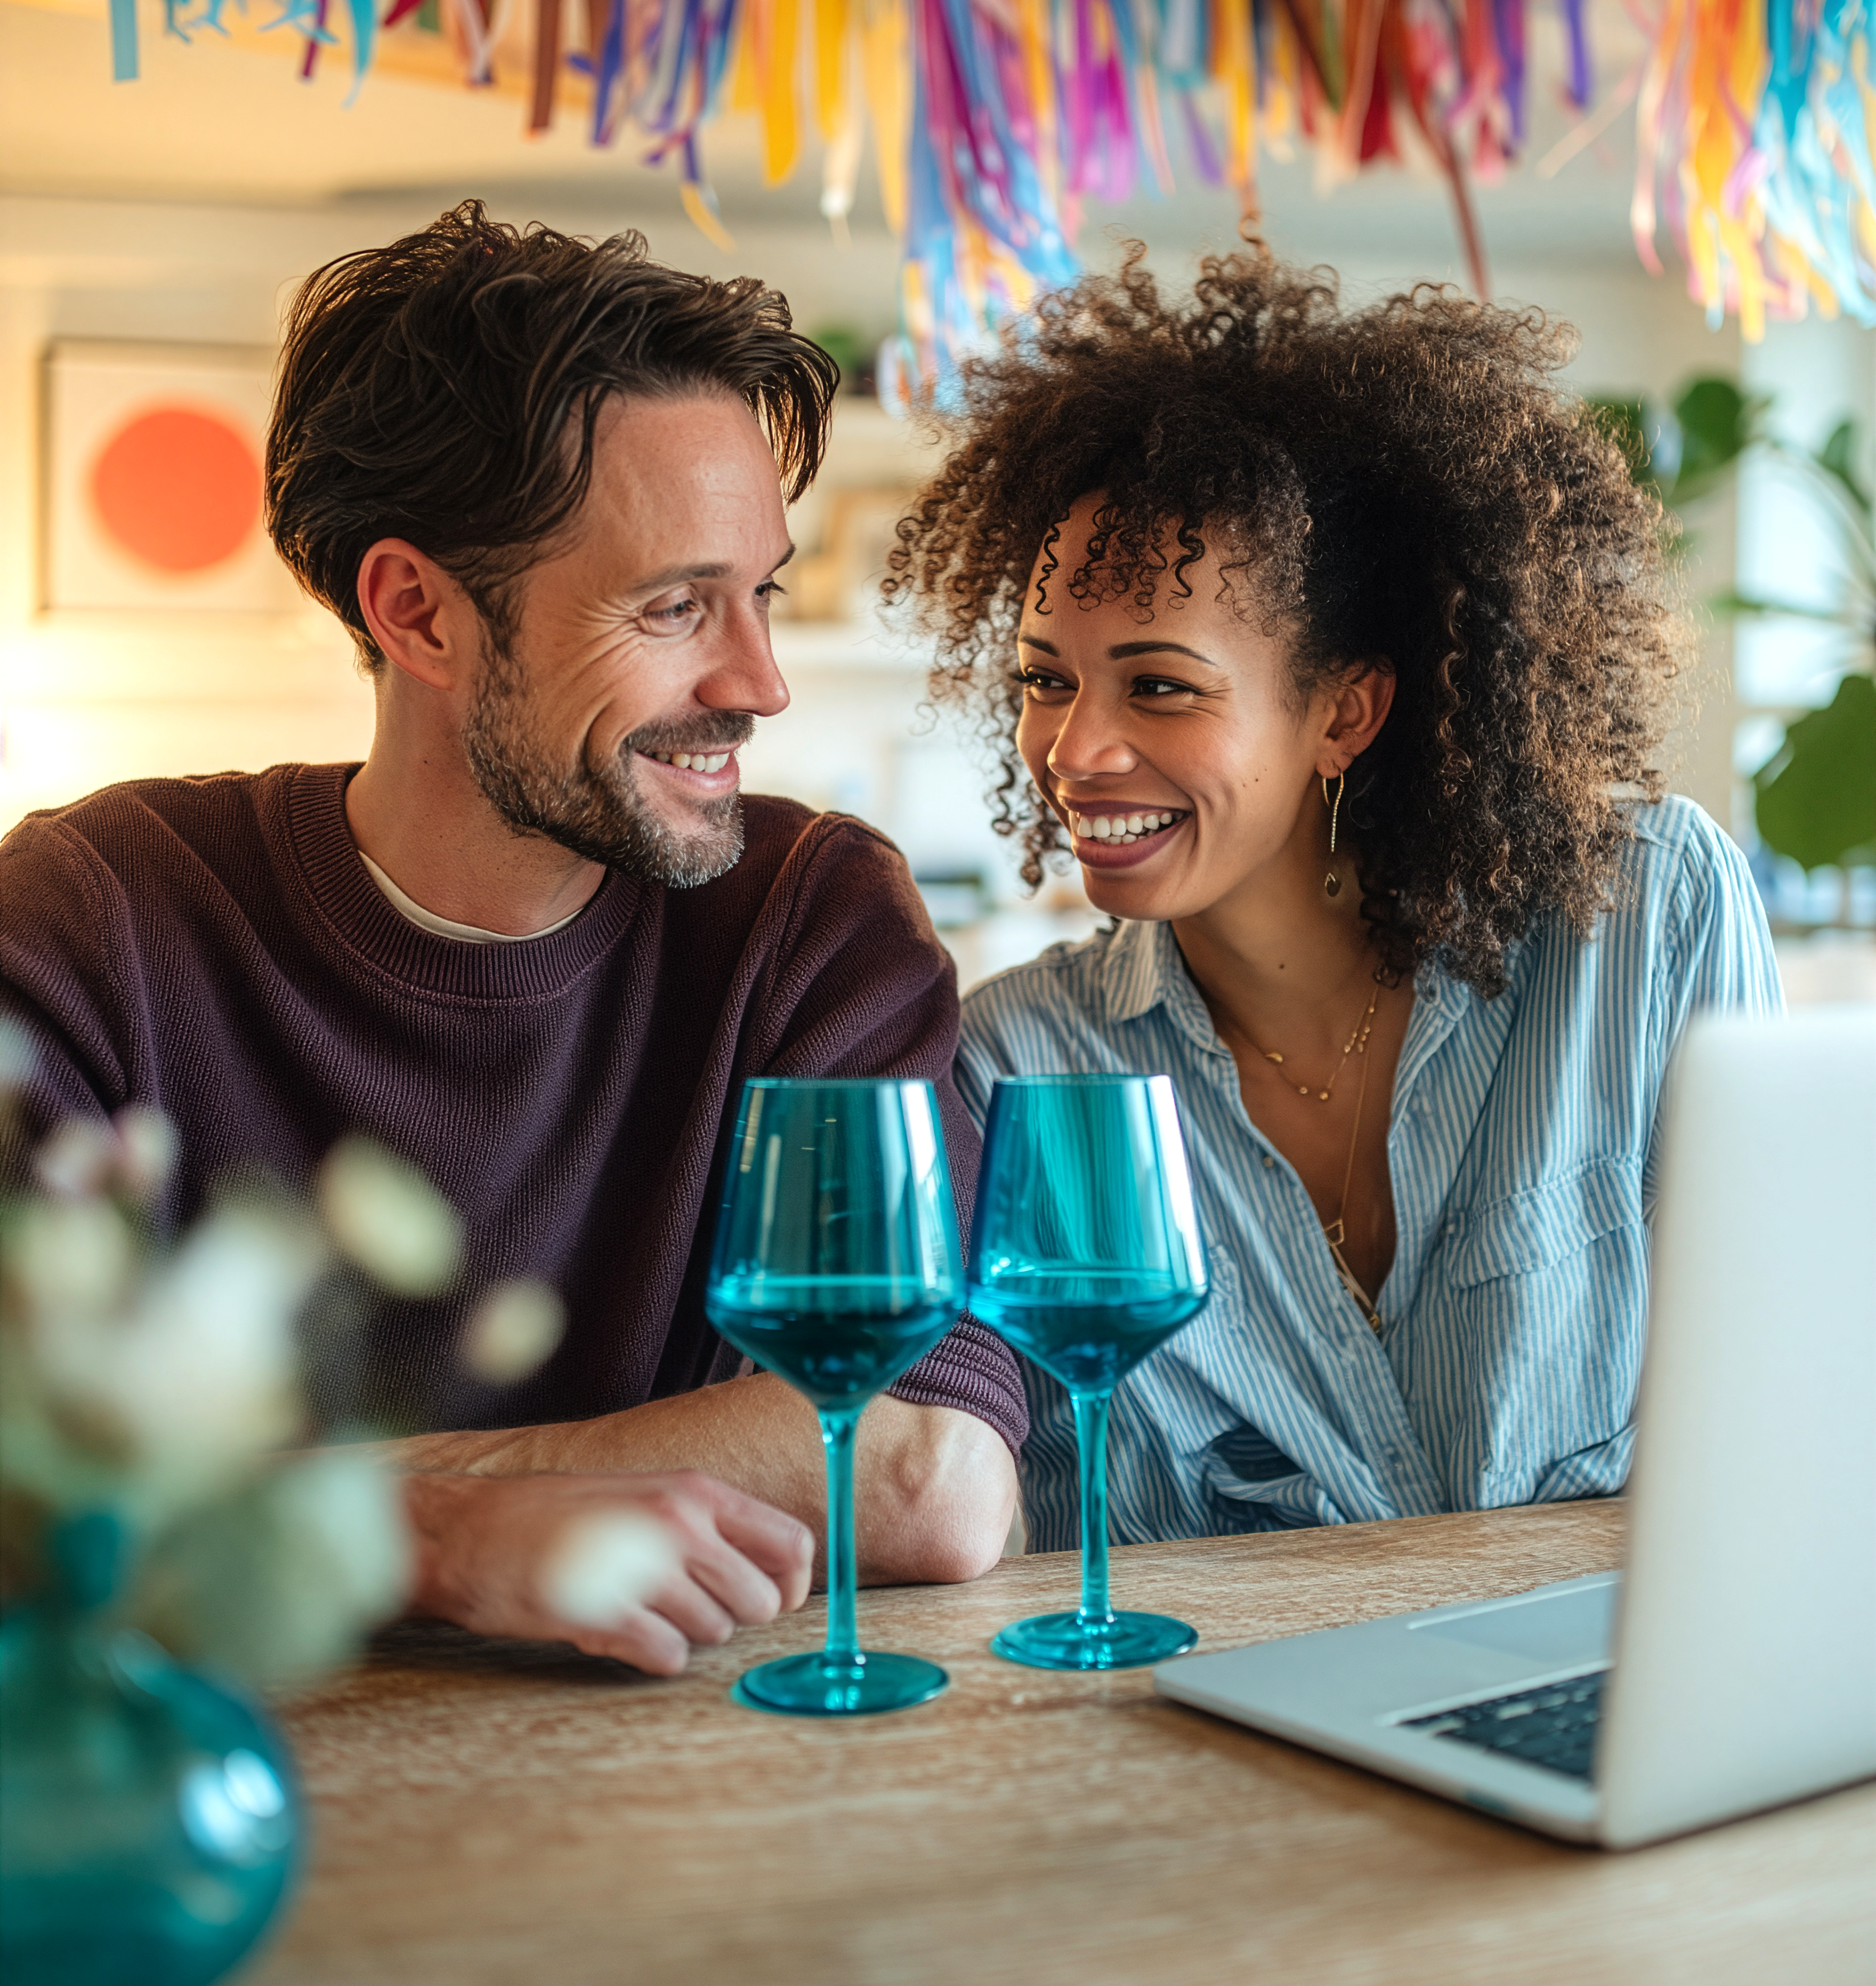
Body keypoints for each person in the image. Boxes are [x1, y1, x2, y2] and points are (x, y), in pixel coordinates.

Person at [2, 202, 1022, 1668]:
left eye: (761, 595)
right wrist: (433, 1539)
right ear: (418, 613)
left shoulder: (807, 920)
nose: (761, 683)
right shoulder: (96, 917)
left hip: (703, 1773)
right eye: (675, 607)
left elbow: (931, 1470)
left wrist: (343, 1505)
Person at [884, 248, 1781, 1550]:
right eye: (1045, 679)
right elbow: (1036, 1552)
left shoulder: (1643, 922)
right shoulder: (1015, 1067)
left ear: (1343, 713)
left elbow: (1788, 1413)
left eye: (1161, 686)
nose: (1074, 751)